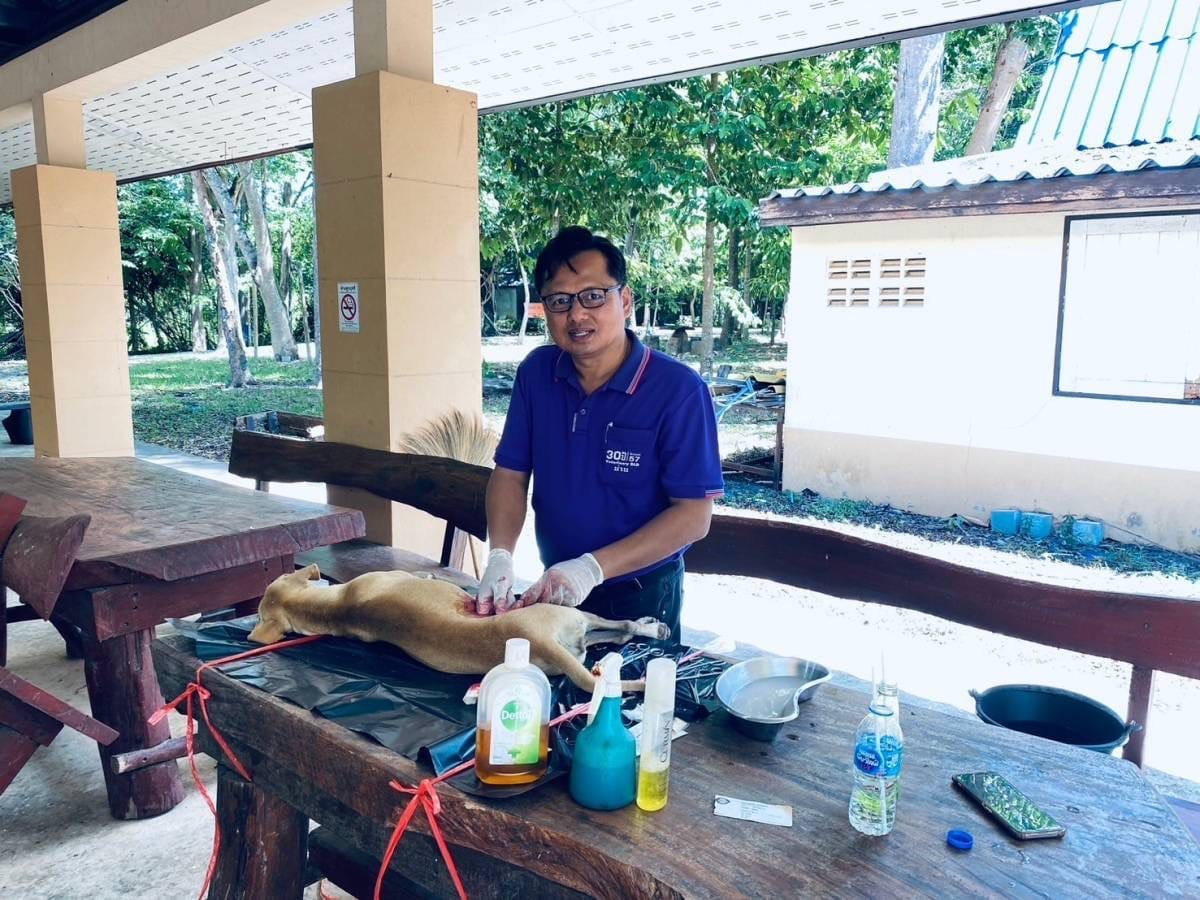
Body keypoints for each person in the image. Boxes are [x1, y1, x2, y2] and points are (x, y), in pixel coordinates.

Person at [473, 225, 723, 639]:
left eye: (593, 296)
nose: (576, 315)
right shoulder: (537, 375)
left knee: (633, 702)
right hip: (553, 590)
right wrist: (499, 555)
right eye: (559, 301)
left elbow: (694, 516)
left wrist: (592, 567)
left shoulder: (678, 390)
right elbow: (510, 474)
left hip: (641, 595)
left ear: (624, 300)